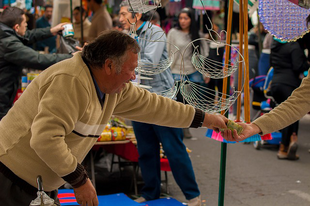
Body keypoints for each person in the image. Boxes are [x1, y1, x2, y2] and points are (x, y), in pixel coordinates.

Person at [0, 29, 228, 206]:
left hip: (40, 183)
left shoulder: (113, 88)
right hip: (11, 179)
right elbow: (45, 139)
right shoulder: (70, 79)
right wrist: (80, 180)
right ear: (109, 65)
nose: (134, 76)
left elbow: (157, 107)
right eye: (131, 70)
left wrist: (207, 119)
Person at [119, 3, 202, 206]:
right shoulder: (127, 35)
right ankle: (150, 192)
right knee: (146, 149)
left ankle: (193, 196)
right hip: (139, 99)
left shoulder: (155, 32)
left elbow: (150, 63)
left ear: (137, 15)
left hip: (161, 98)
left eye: (123, 14)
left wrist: (122, 64)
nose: (120, 18)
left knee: (173, 148)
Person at [0, 7, 73, 120]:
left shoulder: (5, 33)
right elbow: (38, 59)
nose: (27, 26)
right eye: (25, 24)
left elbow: (27, 35)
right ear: (16, 27)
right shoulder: (7, 43)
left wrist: (51, 31)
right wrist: (71, 57)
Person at [167, 7, 209, 138]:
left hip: (194, 72)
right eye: (181, 18)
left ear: (192, 19)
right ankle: (180, 127)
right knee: (179, 101)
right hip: (176, 71)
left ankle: (185, 126)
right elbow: (168, 51)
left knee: (189, 102)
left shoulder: (198, 35)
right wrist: (167, 70)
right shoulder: (173, 33)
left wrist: (205, 72)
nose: (183, 21)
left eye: (186, 18)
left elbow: (203, 54)